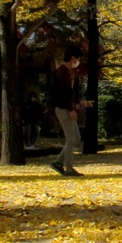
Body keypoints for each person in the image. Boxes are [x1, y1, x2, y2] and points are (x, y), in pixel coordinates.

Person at [49, 46, 85, 177]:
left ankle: (58, 162)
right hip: (63, 108)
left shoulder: (66, 72)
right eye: (78, 59)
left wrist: (78, 102)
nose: (78, 61)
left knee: (76, 138)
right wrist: (71, 109)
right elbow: (64, 93)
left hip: (65, 107)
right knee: (71, 139)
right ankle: (69, 168)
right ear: (73, 58)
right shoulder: (63, 71)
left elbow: (68, 93)